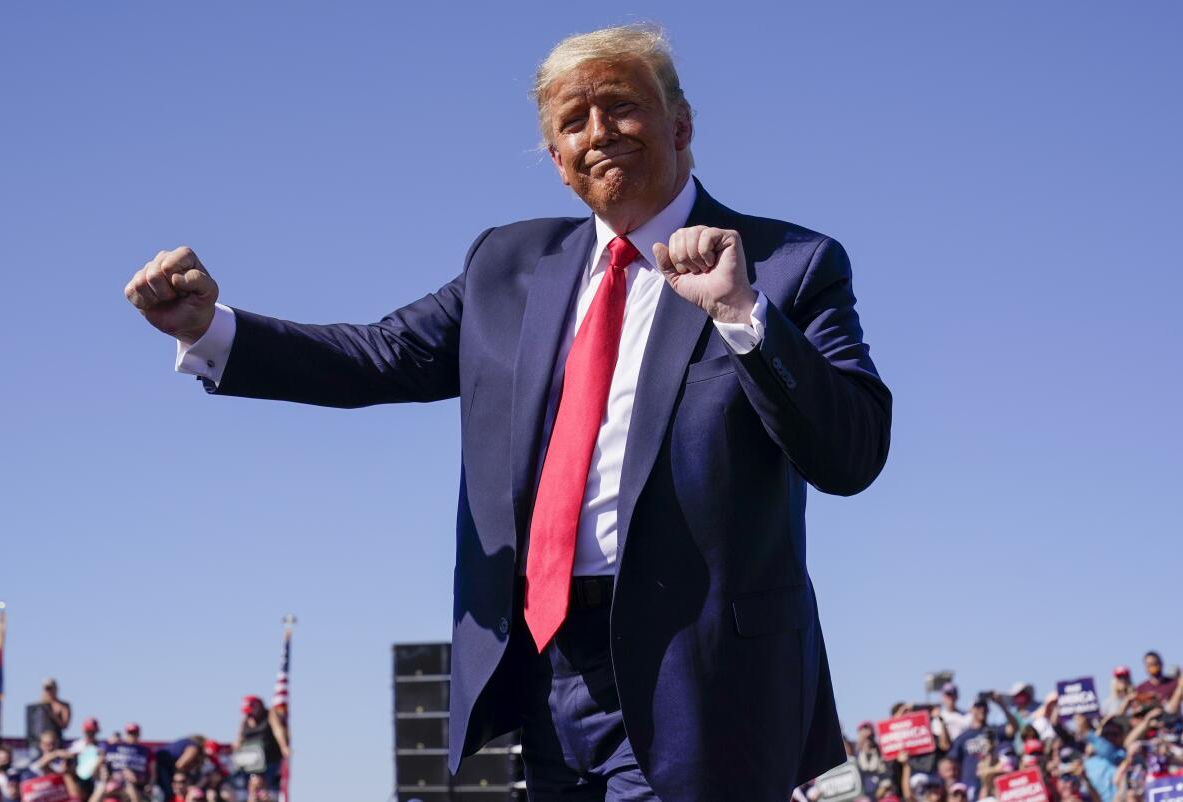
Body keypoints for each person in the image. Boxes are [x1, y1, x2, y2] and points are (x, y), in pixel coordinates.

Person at [123, 23, 891, 801]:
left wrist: (743, 313)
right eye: (572, 121)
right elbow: (380, 354)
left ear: (681, 123)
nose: (600, 133)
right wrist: (209, 329)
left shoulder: (789, 264)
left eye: (622, 105)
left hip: (702, 677)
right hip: (541, 667)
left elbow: (851, 453)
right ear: (558, 164)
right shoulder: (507, 265)